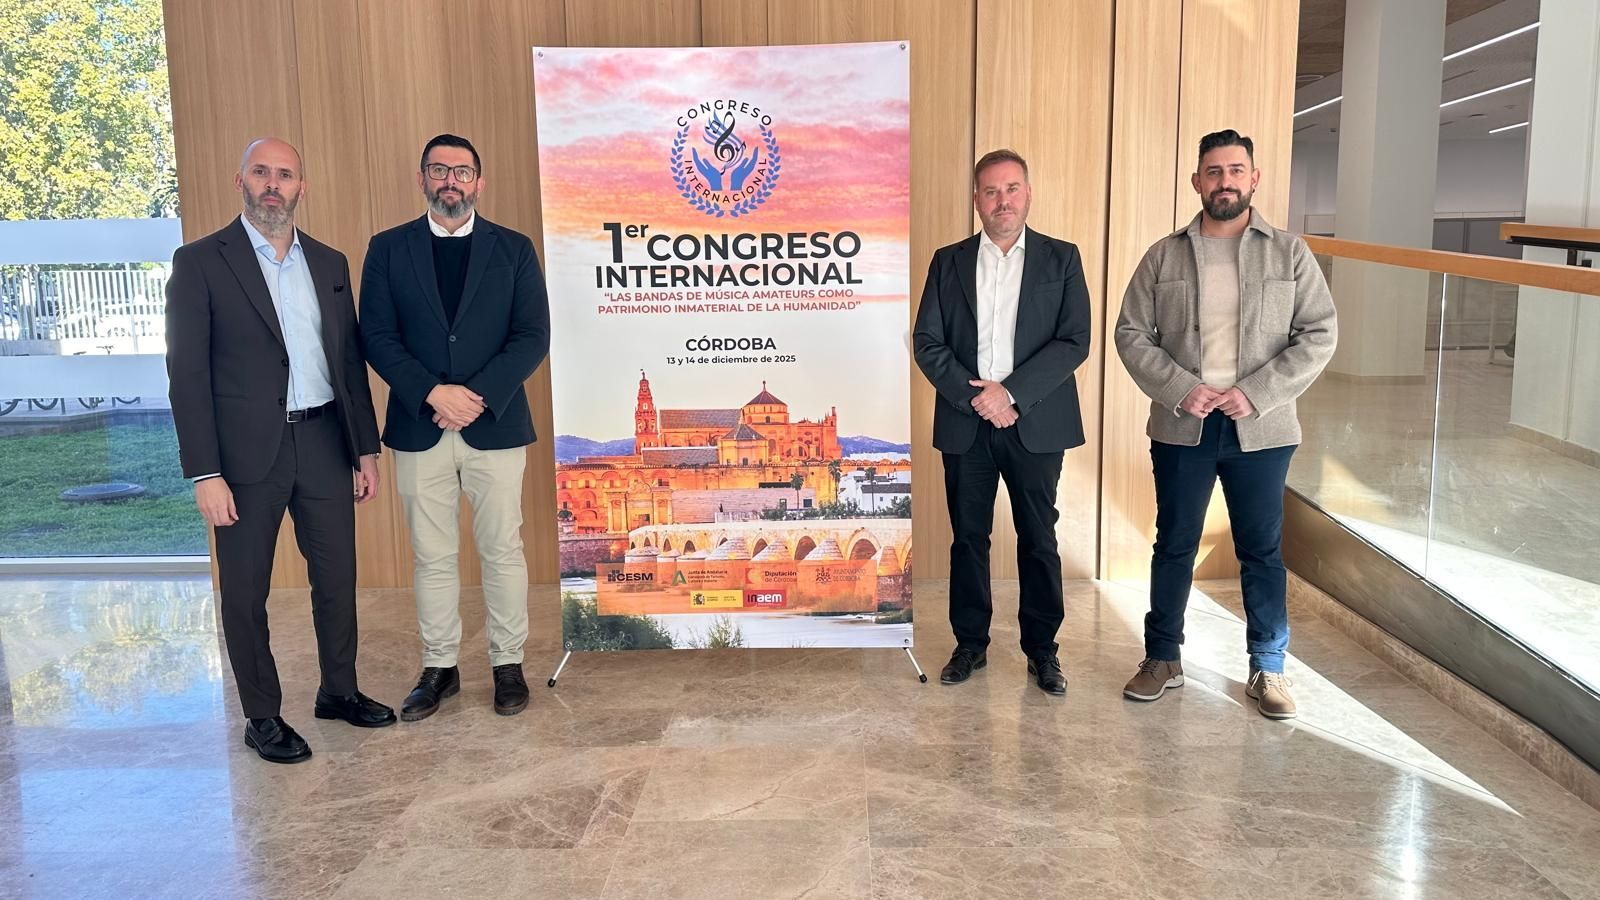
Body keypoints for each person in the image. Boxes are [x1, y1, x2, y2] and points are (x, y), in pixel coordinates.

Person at [166, 137, 394, 764]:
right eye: (262, 172)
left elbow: (347, 362)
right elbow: (185, 375)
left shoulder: (329, 262)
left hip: (324, 439)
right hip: (241, 457)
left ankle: (339, 692)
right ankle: (262, 715)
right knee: (245, 591)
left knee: (336, 578)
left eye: (285, 175)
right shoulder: (200, 262)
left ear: (302, 187)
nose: (273, 184)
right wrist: (205, 473)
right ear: (240, 179)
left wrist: (364, 450)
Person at [1114, 129, 1337, 719]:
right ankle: (1162, 657)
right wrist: (1183, 390)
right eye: (1213, 172)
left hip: (1260, 429)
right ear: (1197, 183)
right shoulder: (1163, 255)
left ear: (1254, 179)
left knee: (1260, 551)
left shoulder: (1289, 253)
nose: (1225, 182)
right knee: (1174, 545)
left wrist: (1254, 393)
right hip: (1182, 426)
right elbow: (1131, 333)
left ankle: (1269, 667)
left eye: (1235, 170)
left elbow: (1319, 333)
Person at [360, 134, 551, 720]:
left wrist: (476, 396)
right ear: (422, 179)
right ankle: (439, 669)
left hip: (493, 425)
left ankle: (507, 665)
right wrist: (431, 392)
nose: (451, 180)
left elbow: (531, 336)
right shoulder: (388, 249)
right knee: (432, 555)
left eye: (461, 171)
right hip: (420, 427)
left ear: (478, 182)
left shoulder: (513, 249)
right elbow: (377, 336)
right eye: (438, 170)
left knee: (502, 550)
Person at [912, 149, 1093, 695]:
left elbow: (1074, 340)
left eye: (1011, 189)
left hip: (1035, 421)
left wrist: (1010, 394)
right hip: (967, 423)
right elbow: (928, 341)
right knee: (969, 539)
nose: (1002, 201)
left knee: (1039, 538)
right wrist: (979, 399)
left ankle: (1043, 652)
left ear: (1028, 194)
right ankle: (971, 645)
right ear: (976, 200)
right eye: (990, 191)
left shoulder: (1061, 259)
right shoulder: (948, 261)